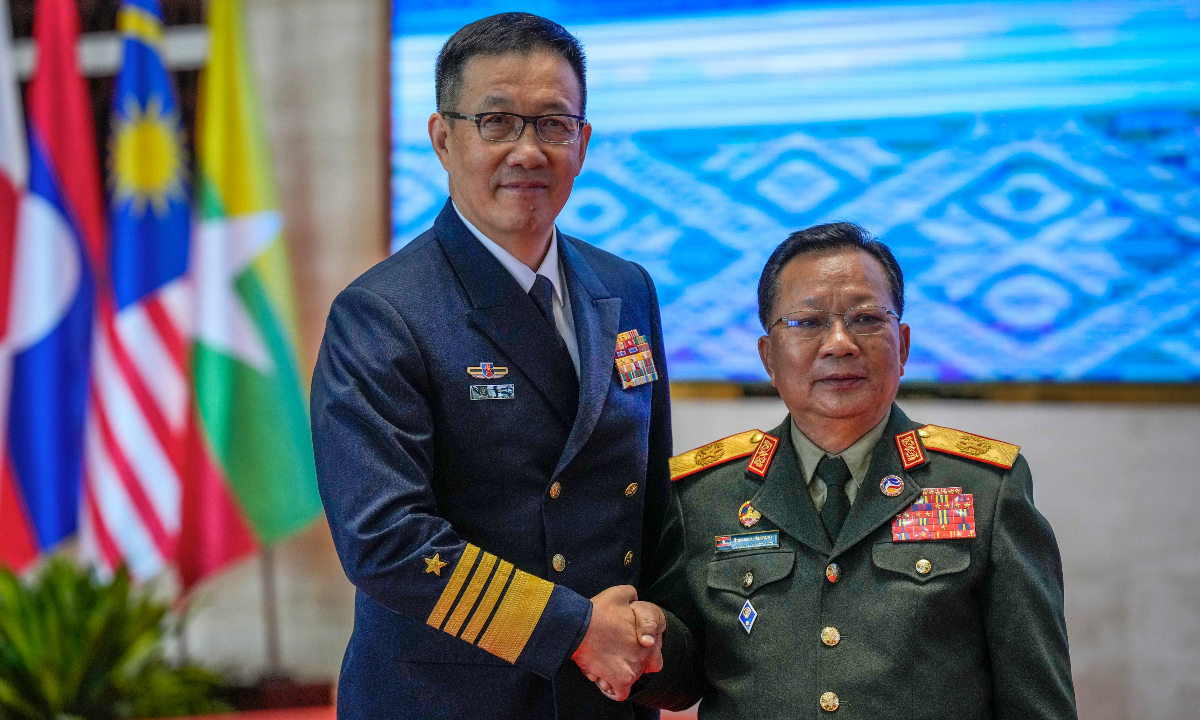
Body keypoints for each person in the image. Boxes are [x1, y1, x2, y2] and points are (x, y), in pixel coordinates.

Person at [311, 13, 670, 719]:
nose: (528, 151)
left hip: (606, 695)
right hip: (453, 697)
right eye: (497, 122)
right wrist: (574, 630)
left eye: (553, 124)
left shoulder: (625, 288)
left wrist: (663, 640)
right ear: (444, 139)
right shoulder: (384, 313)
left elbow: (649, 501)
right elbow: (385, 540)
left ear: (584, 142)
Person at [625, 223, 1077, 719]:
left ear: (902, 346)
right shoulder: (703, 495)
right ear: (767, 356)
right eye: (807, 322)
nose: (839, 344)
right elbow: (683, 679)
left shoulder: (984, 488)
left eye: (865, 319)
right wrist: (645, 645)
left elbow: (1037, 699)